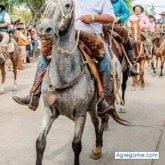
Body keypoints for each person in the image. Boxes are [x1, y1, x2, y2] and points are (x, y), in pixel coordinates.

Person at [13, 0, 116, 115]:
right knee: (44, 57)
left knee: (105, 60)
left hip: (91, 35)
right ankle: (34, 95)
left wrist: (92, 18)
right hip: (67, 37)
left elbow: (111, 17)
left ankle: (104, 101)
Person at [110, 0, 139, 76]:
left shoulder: (120, 2)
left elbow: (126, 13)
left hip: (116, 25)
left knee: (125, 36)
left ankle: (131, 65)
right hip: (99, 24)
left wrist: (119, 18)